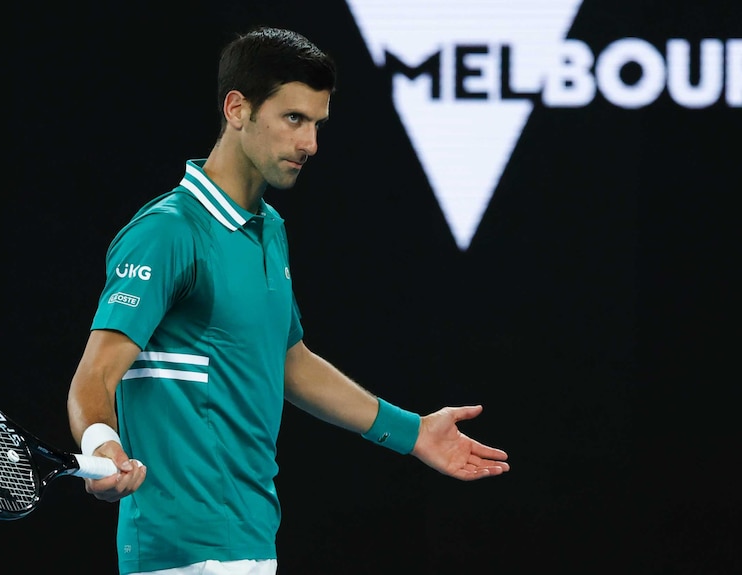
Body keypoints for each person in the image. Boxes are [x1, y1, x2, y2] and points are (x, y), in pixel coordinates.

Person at [67, 25, 510, 575]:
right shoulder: (167, 232)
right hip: (179, 553)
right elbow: (95, 377)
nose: (310, 144)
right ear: (237, 109)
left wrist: (412, 431)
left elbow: (287, 360)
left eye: (318, 124)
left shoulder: (268, 228)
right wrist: (103, 443)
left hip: (252, 541)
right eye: (293, 119)